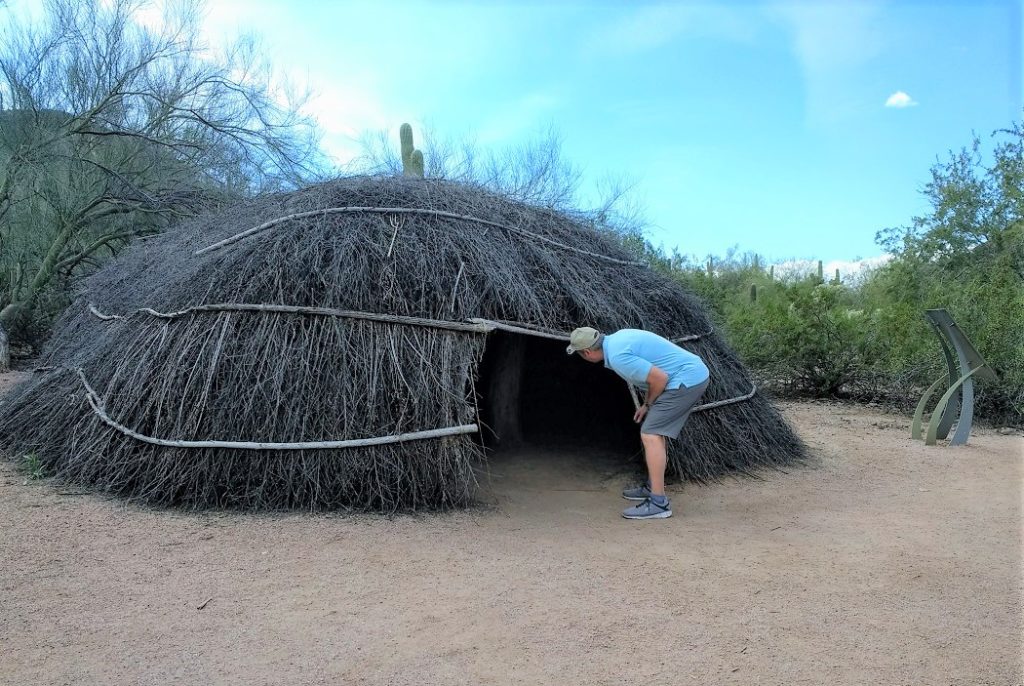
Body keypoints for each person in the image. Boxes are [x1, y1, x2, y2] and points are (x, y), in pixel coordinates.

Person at [566, 326, 710, 520]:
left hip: (687, 379)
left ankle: (659, 503)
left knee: (650, 434)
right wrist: (647, 406)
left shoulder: (618, 356)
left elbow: (659, 378)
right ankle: (653, 487)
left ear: (588, 352)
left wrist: (648, 404)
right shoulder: (617, 340)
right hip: (688, 374)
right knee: (654, 431)